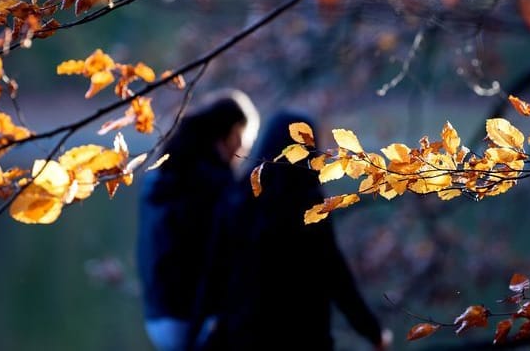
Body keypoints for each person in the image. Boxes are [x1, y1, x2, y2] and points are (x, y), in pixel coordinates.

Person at [197, 110, 392, 351]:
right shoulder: (310, 209)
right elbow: (337, 277)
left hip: (244, 333)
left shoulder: (239, 200)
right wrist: (373, 333)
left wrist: (204, 324)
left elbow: (215, 270)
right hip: (304, 335)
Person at [136, 90, 258, 351]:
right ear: (234, 133)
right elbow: (218, 257)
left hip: (157, 317)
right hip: (193, 319)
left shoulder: (161, 176)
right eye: (245, 139)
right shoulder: (215, 183)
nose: (245, 149)